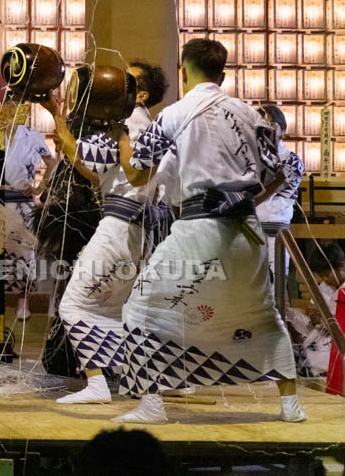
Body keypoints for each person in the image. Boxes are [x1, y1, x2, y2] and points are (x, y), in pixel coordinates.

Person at [113, 38, 304, 424]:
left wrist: (120, 131)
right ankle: (291, 406)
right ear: (223, 74)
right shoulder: (252, 115)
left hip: (199, 229)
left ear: (183, 72)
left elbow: (136, 173)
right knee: (262, 313)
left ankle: (152, 406)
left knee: (140, 308)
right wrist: (244, 200)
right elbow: (279, 173)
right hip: (247, 229)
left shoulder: (175, 113)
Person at [44, 62, 169, 404]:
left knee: (73, 306)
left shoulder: (127, 125)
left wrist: (56, 111)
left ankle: (98, 384)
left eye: (128, 81)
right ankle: (140, 380)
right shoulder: (149, 127)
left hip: (117, 230)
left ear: (139, 94)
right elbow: (93, 171)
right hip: (139, 234)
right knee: (110, 312)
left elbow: (77, 153)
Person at [0, 95, 57, 319]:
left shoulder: (32, 136)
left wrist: (39, 188)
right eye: (8, 108)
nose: (13, 112)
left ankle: (23, 302)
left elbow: (52, 162)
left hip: (22, 201)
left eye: (17, 109)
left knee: (26, 255)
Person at [255, 104, 304, 280]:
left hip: (274, 232)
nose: (264, 131)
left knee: (275, 285)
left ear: (282, 129)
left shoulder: (292, 161)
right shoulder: (248, 157)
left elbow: (265, 194)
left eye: (271, 126)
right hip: (248, 230)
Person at [286, 245, 345, 377]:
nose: (324, 279)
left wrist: (324, 320)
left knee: (314, 359)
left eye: (327, 274)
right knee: (291, 314)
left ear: (342, 266)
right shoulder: (324, 287)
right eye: (321, 276)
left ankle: (305, 365)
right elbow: (314, 310)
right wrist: (313, 314)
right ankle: (300, 357)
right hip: (322, 332)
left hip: (338, 337)